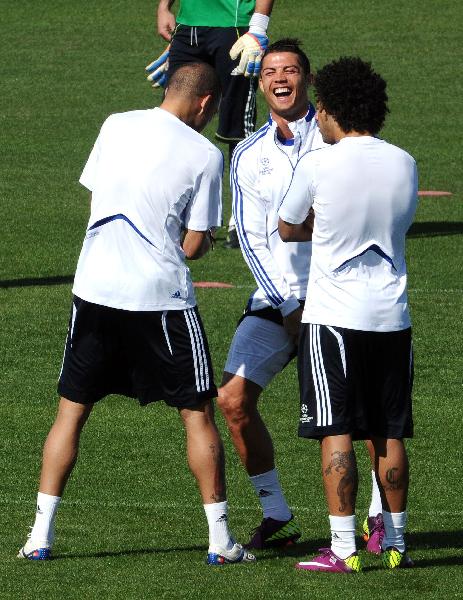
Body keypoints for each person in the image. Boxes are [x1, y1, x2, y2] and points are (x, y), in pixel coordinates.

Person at [17, 62, 255, 567]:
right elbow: (193, 246)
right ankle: (219, 541)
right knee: (197, 414)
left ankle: (40, 535)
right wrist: (201, 238)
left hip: (95, 289)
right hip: (160, 300)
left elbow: (98, 194)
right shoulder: (206, 155)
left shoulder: (115, 124)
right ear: (207, 104)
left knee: (71, 411)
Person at [218, 39, 383, 551]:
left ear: (308, 81)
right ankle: (277, 513)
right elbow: (250, 236)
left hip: (340, 298)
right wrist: (288, 306)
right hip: (278, 302)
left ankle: (379, 517)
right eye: (270, 71)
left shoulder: (339, 140)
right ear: (260, 83)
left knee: (365, 411)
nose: (280, 78)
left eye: (290, 69)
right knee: (232, 400)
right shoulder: (248, 154)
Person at [278, 56, 418, 572]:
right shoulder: (405, 161)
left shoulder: (318, 162)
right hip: (392, 317)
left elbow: (288, 227)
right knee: (390, 429)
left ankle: (342, 548)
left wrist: (325, 224)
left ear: (331, 108)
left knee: (335, 429)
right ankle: (396, 542)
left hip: (334, 316)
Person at [146, 0, 275, 248]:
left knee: (237, 129)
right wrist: (164, 8)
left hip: (234, 28)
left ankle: (242, 219)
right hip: (188, 29)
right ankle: (168, 210)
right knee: (173, 122)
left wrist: (258, 27)